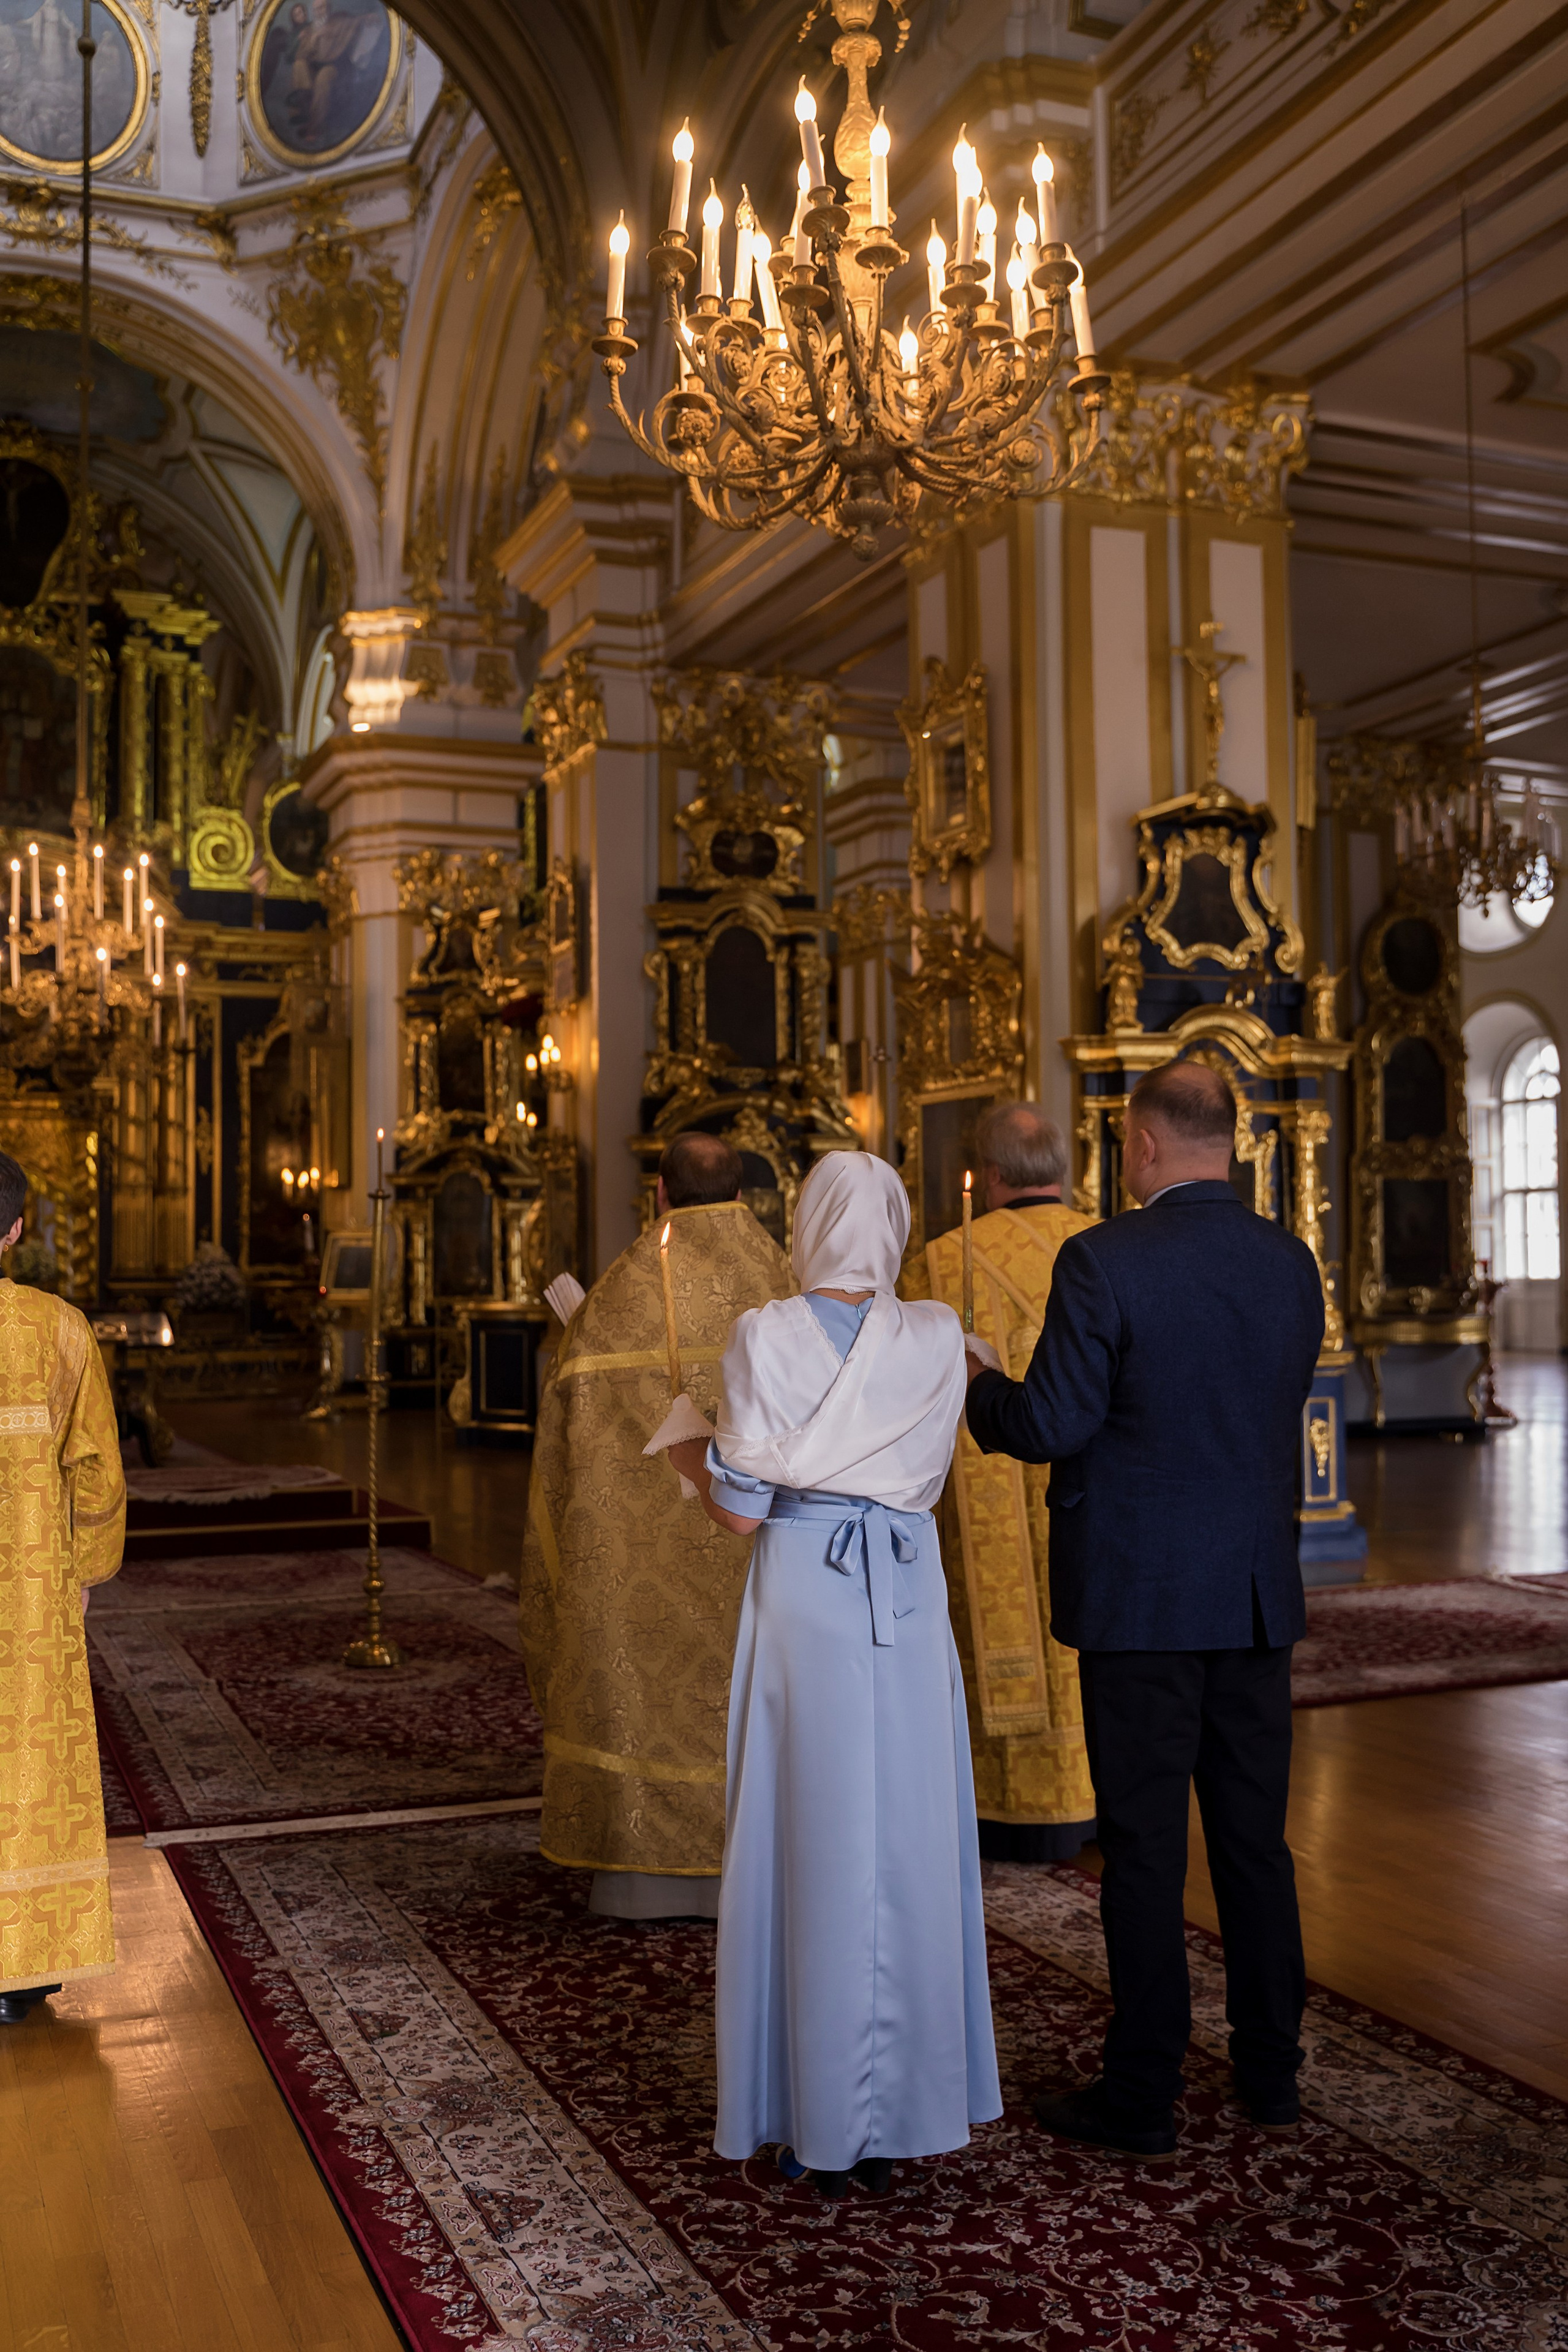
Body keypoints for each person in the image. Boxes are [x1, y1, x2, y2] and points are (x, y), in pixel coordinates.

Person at [964, 1063, 1324, 2162]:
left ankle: (1143, 2092)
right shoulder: (1290, 1261)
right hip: (1253, 1596)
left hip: (1139, 1600)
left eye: (1126, 1141)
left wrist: (981, 1383)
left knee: (1145, 1851)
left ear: (1150, 1143)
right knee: (1255, 1846)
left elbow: (1050, 1424)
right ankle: (1271, 2072)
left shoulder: (1105, 1258)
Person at [668, 1152, 1001, 2198]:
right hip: (906, 1595)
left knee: (805, 1834)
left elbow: (739, 1513)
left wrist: (687, 1452)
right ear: (893, 1228)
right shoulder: (941, 1335)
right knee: (906, 1835)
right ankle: (906, 2109)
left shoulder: (765, 1334)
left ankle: (814, 2116)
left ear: (808, 1225)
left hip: (807, 1596)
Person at [518, 1131, 791, 1920]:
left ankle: (641, 1872)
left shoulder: (615, 1299)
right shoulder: (787, 1286)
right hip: (762, 1551)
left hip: (638, 1572)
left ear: (661, 1192)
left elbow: (564, 1437)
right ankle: (767, 1863)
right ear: (742, 1193)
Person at [901, 1102, 1097, 1863]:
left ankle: (1004, 1806)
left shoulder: (942, 1262)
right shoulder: (1105, 1244)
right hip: (1090, 1489)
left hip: (984, 1487)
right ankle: (1093, 1794)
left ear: (987, 1177)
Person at [0, 1152, 127, 2024]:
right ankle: (20, 1970)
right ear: (14, 1231)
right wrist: (83, 1569)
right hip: (29, 1588)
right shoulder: (59, 1328)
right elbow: (97, 1467)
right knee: (28, 1757)